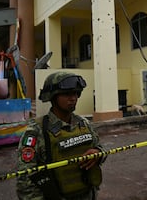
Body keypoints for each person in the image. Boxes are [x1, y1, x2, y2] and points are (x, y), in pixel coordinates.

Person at [16, 72, 105, 200]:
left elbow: (100, 148)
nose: (73, 98)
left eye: (75, 93)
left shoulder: (83, 123)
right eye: (67, 94)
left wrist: (98, 153)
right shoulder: (36, 131)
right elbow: (25, 179)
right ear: (53, 97)